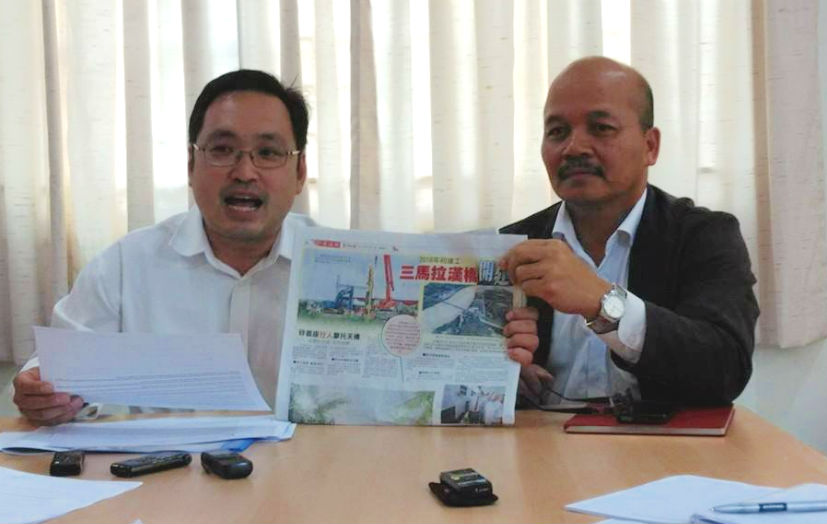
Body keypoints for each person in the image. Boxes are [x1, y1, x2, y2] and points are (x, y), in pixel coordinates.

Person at [13, 69, 539, 426]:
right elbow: (58, 370)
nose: (244, 172)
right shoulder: (126, 265)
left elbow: (409, 400)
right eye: (222, 150)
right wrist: (41, 392)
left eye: (268, 153)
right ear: (192, 166)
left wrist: (493, 351)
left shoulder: (348, 266)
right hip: (165, 489)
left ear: (300, 171)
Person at [500, 57, 758, 406]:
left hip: (662, 450)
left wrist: (602, 304)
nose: (573, 147)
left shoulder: (703, 235)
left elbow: (725, 366)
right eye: (557, 132)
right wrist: (505, 378)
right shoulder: (514, 245)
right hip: (543, 450)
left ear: (650, 146)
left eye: (601, 128)